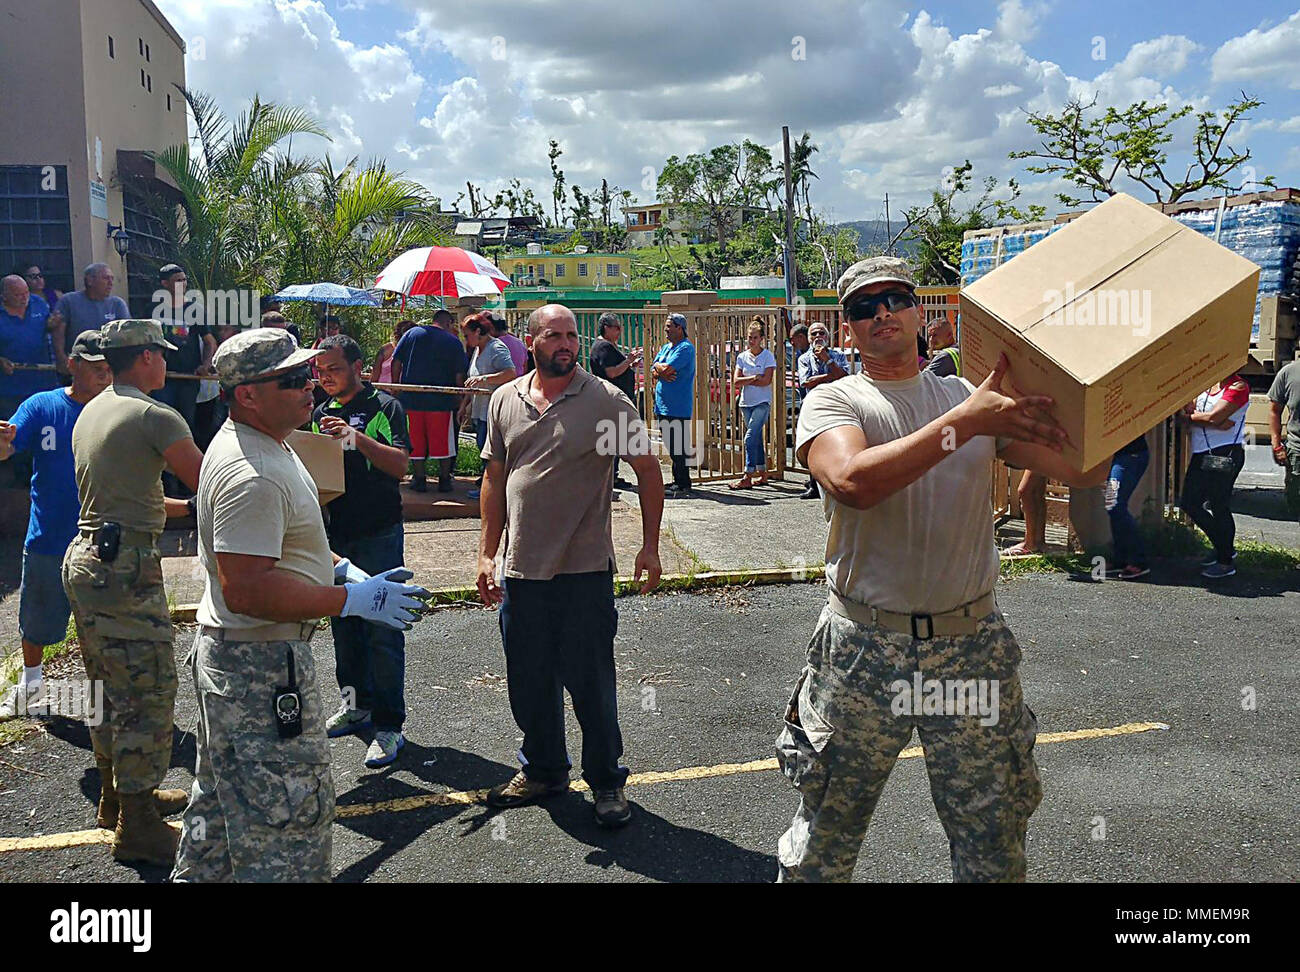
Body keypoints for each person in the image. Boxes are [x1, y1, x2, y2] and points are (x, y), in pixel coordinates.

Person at [776, 256, 1107, 883]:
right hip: (864, 648)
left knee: (992, 833)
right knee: (826, 833)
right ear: (846, 330)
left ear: (919, 313)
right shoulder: (835, 401)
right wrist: (968, 422)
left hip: (970, 646)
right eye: (861, 307)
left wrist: (1122, 396)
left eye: (895, 299)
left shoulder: (968, 397)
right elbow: (852, 481)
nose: (880, 314)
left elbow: (1083, 470)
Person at [171, 328, 428, 883]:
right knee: (287, 828)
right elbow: (250, 588)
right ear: (247, 394)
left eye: (309, 373)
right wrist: (352, 599)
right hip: (259, 671)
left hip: (243, 664)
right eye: (291, 379)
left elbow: (287, 545)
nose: (309, 386)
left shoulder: (268, 442)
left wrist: (341, 569)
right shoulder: (252, 473)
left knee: (217, 815)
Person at [477, 304, 664, 827]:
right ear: (530, 340)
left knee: (591, 684)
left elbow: (648, 470)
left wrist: (649, 547)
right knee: (529, 680)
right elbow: (494, 478)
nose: (566, 344)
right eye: (554, 336)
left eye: (571, 337)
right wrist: (486, 552)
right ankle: (543, 770)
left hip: (583, 571)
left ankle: (606, 783)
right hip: (521, 571)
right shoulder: (505, 400)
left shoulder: (603, 400)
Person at [63, 319, 205, 865]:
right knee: (148, 690)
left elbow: (128, 496)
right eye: (161, 353)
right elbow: (211, 478)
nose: (167, 362)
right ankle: (139, 826)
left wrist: (187, 511)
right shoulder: (152, 414)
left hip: (90, 558)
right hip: (124, 566)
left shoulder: (96, 409)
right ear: (144, 357)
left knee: (105, 685)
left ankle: (117, 798)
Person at [311, 334, 413, 767]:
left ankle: (390, 726)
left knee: (382, 629)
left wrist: (357, 439)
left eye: (333, 369)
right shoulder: (318, 413)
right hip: (335, 535)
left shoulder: (385, 407)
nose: (325, 377)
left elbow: (401, 464)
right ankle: (356, 705)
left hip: (379, 532)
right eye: (320, 371)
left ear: (357, 367)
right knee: (344, 624)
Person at [0, 332, 112, 721]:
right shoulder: (43, 405)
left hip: (103, 538)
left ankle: (106, 699)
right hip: (49, 533)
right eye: (94, 367)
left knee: (102, 625)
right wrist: (4, 441)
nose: (102, 374)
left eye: (107, 367)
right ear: (72, 364)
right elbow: (8, 445)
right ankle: (32, 686)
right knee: (36, 620)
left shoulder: (118, 412)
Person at [1179, 373, 1250, 579]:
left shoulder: (1238, 386)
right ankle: (1223, 546)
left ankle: (1225, 560)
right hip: (1203, 452)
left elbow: (1213, 416)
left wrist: (1189, 419)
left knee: (1218, 505)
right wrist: (1211, 421)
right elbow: (1196, 410)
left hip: (1225, 453)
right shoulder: (1206, 383)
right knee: (1189, 503)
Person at [391, 310, 468, 493]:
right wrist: (460, 397)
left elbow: (396, 361)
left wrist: (396, 386)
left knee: (415, 441)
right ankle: (444, 480)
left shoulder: (411, 334)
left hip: (412, 398)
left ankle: (419, 479)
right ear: (448, 323)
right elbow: (459, 374)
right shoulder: (453, 342)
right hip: (441, 401)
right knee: (443, 443)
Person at [2, 273, 65, 489]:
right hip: (12, 389)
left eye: (26, 293)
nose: (24, 298)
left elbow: (50, 329)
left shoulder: (38, 303)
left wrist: (52, 325)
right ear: (4, 296)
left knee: (47, 433)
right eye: (17, 295)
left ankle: (49, 477)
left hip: (44, 383)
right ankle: (22, 484)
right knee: (17, 436)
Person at [152, 264, 216, 439]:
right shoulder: (153, 309)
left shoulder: (194, 309)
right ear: (165, 284)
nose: (183, 284)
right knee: (162, 422)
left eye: (184, 280)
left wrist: (206, 364)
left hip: (188, 377)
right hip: (162, 378)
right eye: (178, 280)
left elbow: (209, 341)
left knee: (185, 424)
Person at [460, 312, 517, 501]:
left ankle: (492, 491)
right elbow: (472, 381)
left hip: (493, 411)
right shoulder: (478, 350)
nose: (466, 340)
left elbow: (510, 373)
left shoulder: (496, 348)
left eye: (467, 335)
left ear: (478, 332)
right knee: (484, 451)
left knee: (492, 455)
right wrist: (464, 406)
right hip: (480, 411)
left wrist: (484, 379)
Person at [796, 321, 850, 499]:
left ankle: (833, 482)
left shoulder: (838, 355)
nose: (818, 337)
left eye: (821, 333)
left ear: (827, 337)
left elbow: (844, 377)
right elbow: (805, 381)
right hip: (813, 404)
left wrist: (828, 360)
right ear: (809, 338)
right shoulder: (804, 358)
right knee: (813, 444)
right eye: (814, 334)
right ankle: (813, 484)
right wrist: (830, 376)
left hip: (836, 404)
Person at [589, 312, 642, 489]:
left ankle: (613, 475)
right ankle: (610, 476)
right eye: (616, 327)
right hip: (611, 400)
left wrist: (629, 364)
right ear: (606, 328)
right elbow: (611, 372)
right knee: (613, 439)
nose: (620, 331)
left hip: (614, 399)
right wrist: (629, 360)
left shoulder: (607, 346)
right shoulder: (603, 347)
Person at [652, 312, 696, 496]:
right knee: (671, 445)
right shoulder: (666, 347)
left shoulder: (685, 348)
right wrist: (659, 370)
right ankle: (677, 480)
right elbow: (654, 368)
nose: (666, 330)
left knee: (679, 447)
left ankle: (683, 483)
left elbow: (668, 368)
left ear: (680, 328)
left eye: (670, 327)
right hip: (662, 404)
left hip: (678, 405)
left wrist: (661, 369)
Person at [730, 318, 777, 489]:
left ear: (762, 338)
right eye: (750, 337)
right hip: (746, 402)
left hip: (762, 402)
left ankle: (747, 474)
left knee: (749, 437)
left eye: (755, 337)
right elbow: (736, 381)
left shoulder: (768, 356)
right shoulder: (742, 357)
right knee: (756, 438)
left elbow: (767, 381)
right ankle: (763, 473)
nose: (752, 341)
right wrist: (754, 378)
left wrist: (747, 380)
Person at [50, 263, 129, 352]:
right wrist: (61, 357)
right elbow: (58, 332)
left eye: (112, 279)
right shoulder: (68, 301)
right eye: (106, 278)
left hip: (109, 360)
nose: (111, 283)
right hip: (78, 360)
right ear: (90, 281)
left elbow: (126, 335)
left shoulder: (117, 304)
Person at [1105, 434, 1152, 579]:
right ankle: (1121, 559)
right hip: (1123, 454)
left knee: (1115, 504)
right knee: (1113, 505)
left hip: (1131, 454)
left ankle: (1139, 561)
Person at [1267, 357, 1300, 522]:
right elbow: (1274, 411)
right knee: (1295, 502)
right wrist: (1276, 445)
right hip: (1297, 449)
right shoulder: (1289, 373)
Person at [1002, 471, 1047, 557]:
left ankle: (1030, 544)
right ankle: (1038, 541)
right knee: (1037, 490)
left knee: (1025, 491)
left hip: (1042, 457)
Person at [369, 318, 412, 386]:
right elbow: (375, 375)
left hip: (404, 391)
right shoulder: (386, 349)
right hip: (382, 391)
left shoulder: (413, 351)